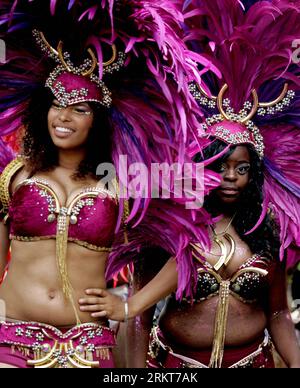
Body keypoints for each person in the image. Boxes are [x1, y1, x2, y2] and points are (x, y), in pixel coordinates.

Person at [0, 0, 210, 368]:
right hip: (13, 340)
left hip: (89, 347)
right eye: (56, 105)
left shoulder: (122, 182)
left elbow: (191, 242)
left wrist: (131, 306)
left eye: (80, 109)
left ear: (98, 121)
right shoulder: (16, 174)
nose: (63, 117)